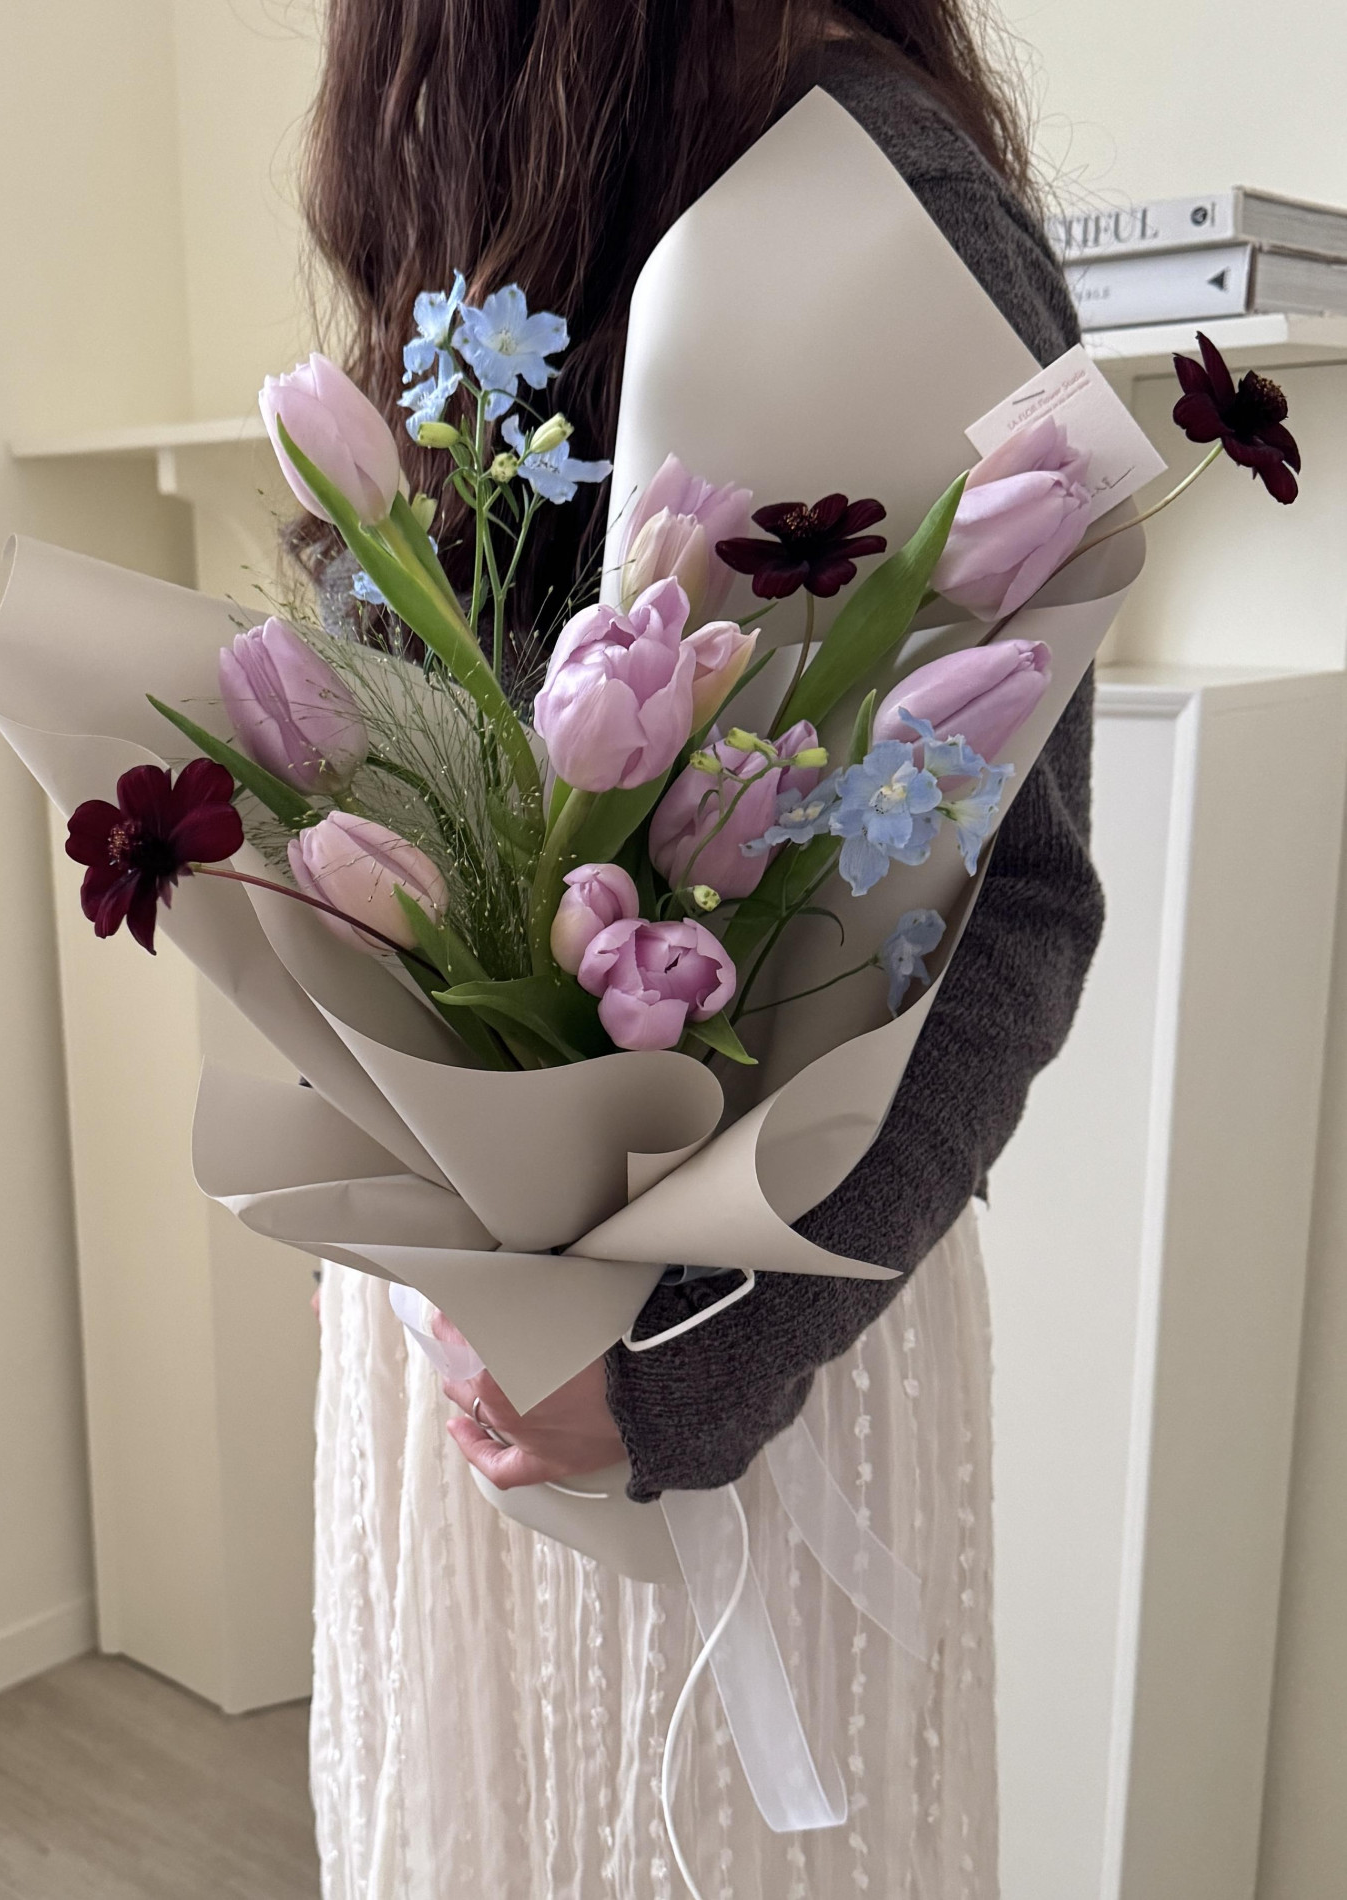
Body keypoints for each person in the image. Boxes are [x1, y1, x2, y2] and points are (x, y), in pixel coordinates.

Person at [299, 5, 1097, 1894]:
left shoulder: (880, 200)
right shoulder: (500, 192)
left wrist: (676, 1364)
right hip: (464, 1346)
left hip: (734, 1342)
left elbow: (1013, 907)